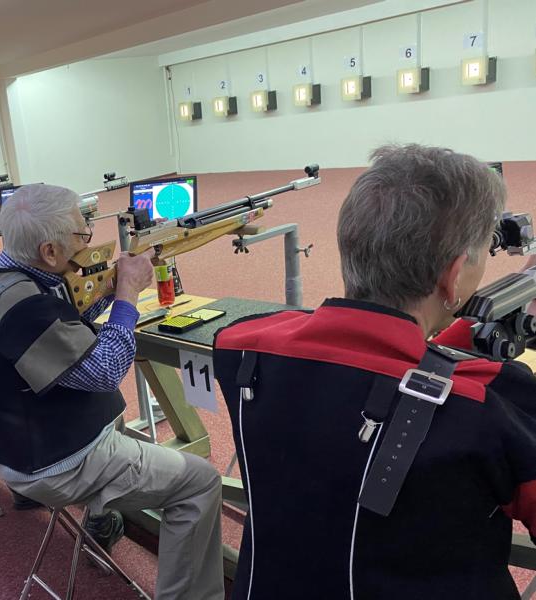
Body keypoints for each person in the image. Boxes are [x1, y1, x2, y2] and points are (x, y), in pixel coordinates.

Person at [213, 144, 536, 600]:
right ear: (454, 275)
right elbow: (417, 377)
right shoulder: (494, 402)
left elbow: (378, 359)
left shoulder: (244, 347)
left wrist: (467, 326)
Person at [0, 184, 224, 599]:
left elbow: (64, 319)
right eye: (81, 235)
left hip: (13, 445)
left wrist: (107, 290)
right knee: (201, 482)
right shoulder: (30, 310)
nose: (88, 241)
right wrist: (127, 295)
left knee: (119, 421)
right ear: (50, 251)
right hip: (57, 463)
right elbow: (106, 372)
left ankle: (103, 512)